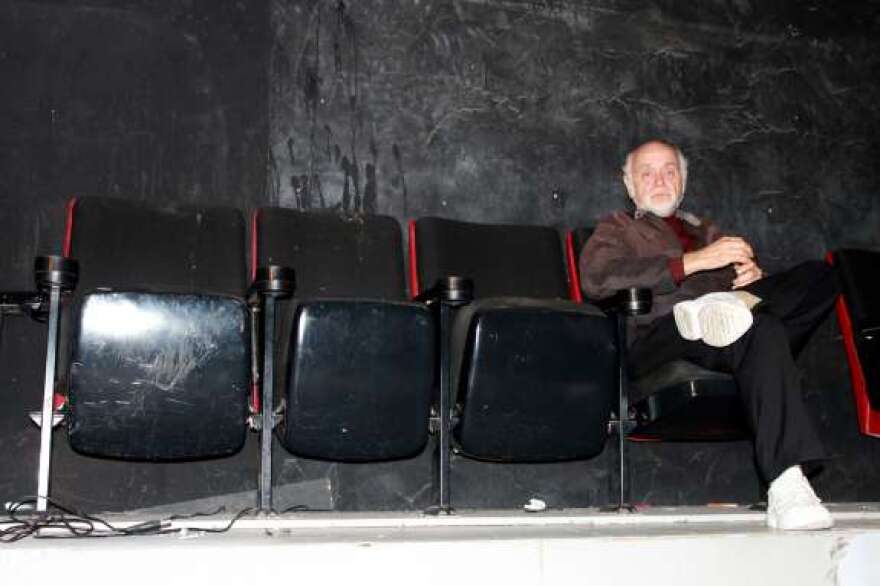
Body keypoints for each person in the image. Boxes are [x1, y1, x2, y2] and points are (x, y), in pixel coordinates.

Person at [579, 139, 839, 530]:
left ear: (683, 182)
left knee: (819, 279)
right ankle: (788, 483)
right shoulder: (617, 228)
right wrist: (690, 263)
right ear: (631, 186)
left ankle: (787, 483)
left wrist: (753, 281)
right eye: (647, 173)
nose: (660, 180)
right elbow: (598, 279)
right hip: (660, 334)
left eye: (670, 171)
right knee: (756, 323)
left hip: (725, 331)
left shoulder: (707, 230)